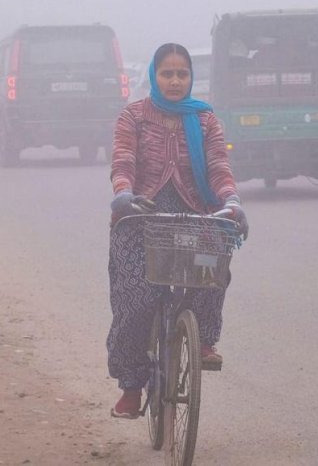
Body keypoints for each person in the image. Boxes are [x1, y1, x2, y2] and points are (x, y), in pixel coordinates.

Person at [106, 43, 249, 419]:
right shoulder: (134, 116)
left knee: (213, 269)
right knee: (136, 299)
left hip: (193, 218)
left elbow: (218, 166)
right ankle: (132, 386)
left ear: (191, 78)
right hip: (140, 218)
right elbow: (123, 161)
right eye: (167, 74)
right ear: (154, 77)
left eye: (181, 74)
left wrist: (232, 200)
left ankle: (202, 339)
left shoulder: (205, 120)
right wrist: (123, 195)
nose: (174, 81)